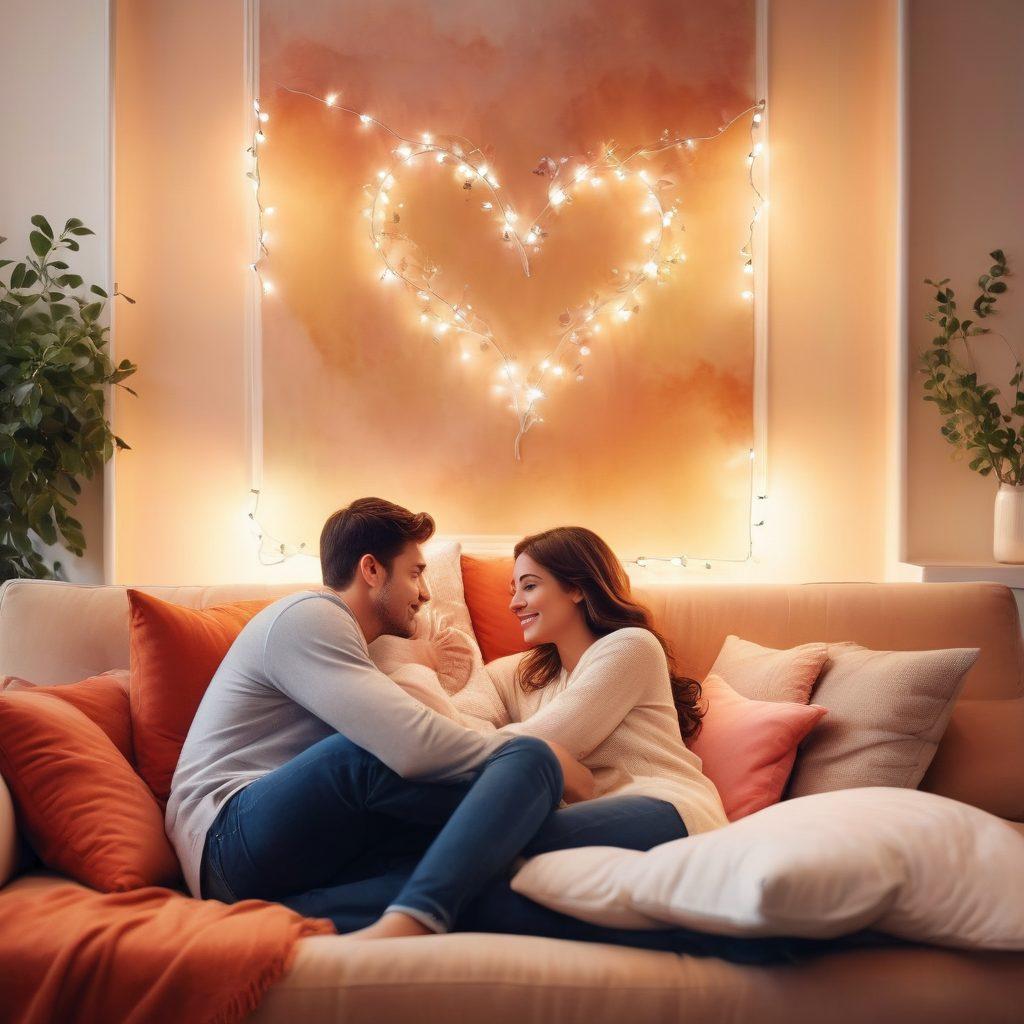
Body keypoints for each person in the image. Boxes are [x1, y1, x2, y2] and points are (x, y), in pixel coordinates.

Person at [277, 526, 753, 956]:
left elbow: (543, 739)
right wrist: (422, 662)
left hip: (666, 807)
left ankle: (295, 915)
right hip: (590, 812)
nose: (514, 604)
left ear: (577, 588)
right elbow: (458, 727)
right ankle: (297, 915)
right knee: (457, 853)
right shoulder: (524, 675)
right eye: (513, 590)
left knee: (471, 846)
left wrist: (487, 738)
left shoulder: (630, 648)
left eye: (529, 586)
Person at [165, 498, 595, 940]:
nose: (425, 592)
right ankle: (553, 805)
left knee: (477, 877)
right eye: (414, 572)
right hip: (227, 836)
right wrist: (533, 761)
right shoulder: (309, 616)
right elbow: (413, 748)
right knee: (370, 757)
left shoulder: (357, 647)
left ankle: (287, 918)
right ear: (371, 570)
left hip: (280, 866)